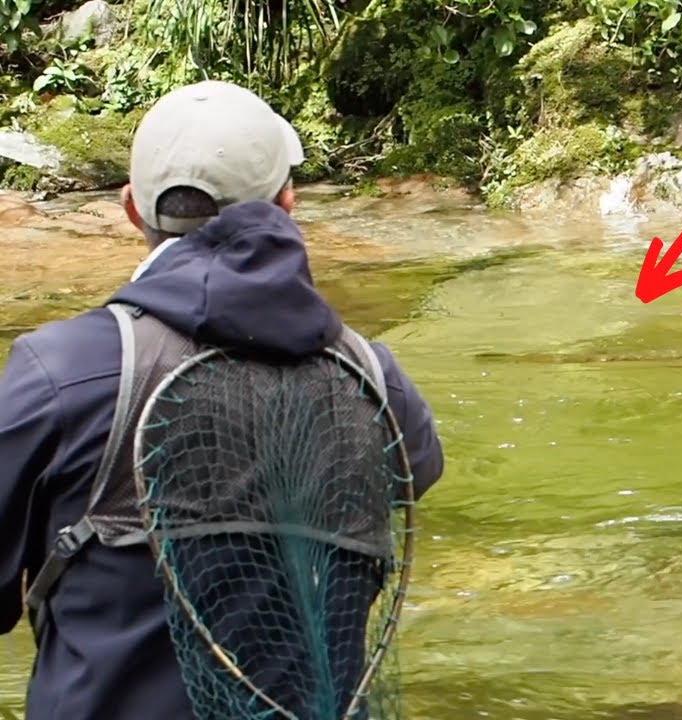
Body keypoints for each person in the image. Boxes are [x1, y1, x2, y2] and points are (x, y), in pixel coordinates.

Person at [0, 80, 445, 719]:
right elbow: (415, 477)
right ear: (287, 205)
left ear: (131, 208)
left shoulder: (59, 373)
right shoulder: (375, 380)